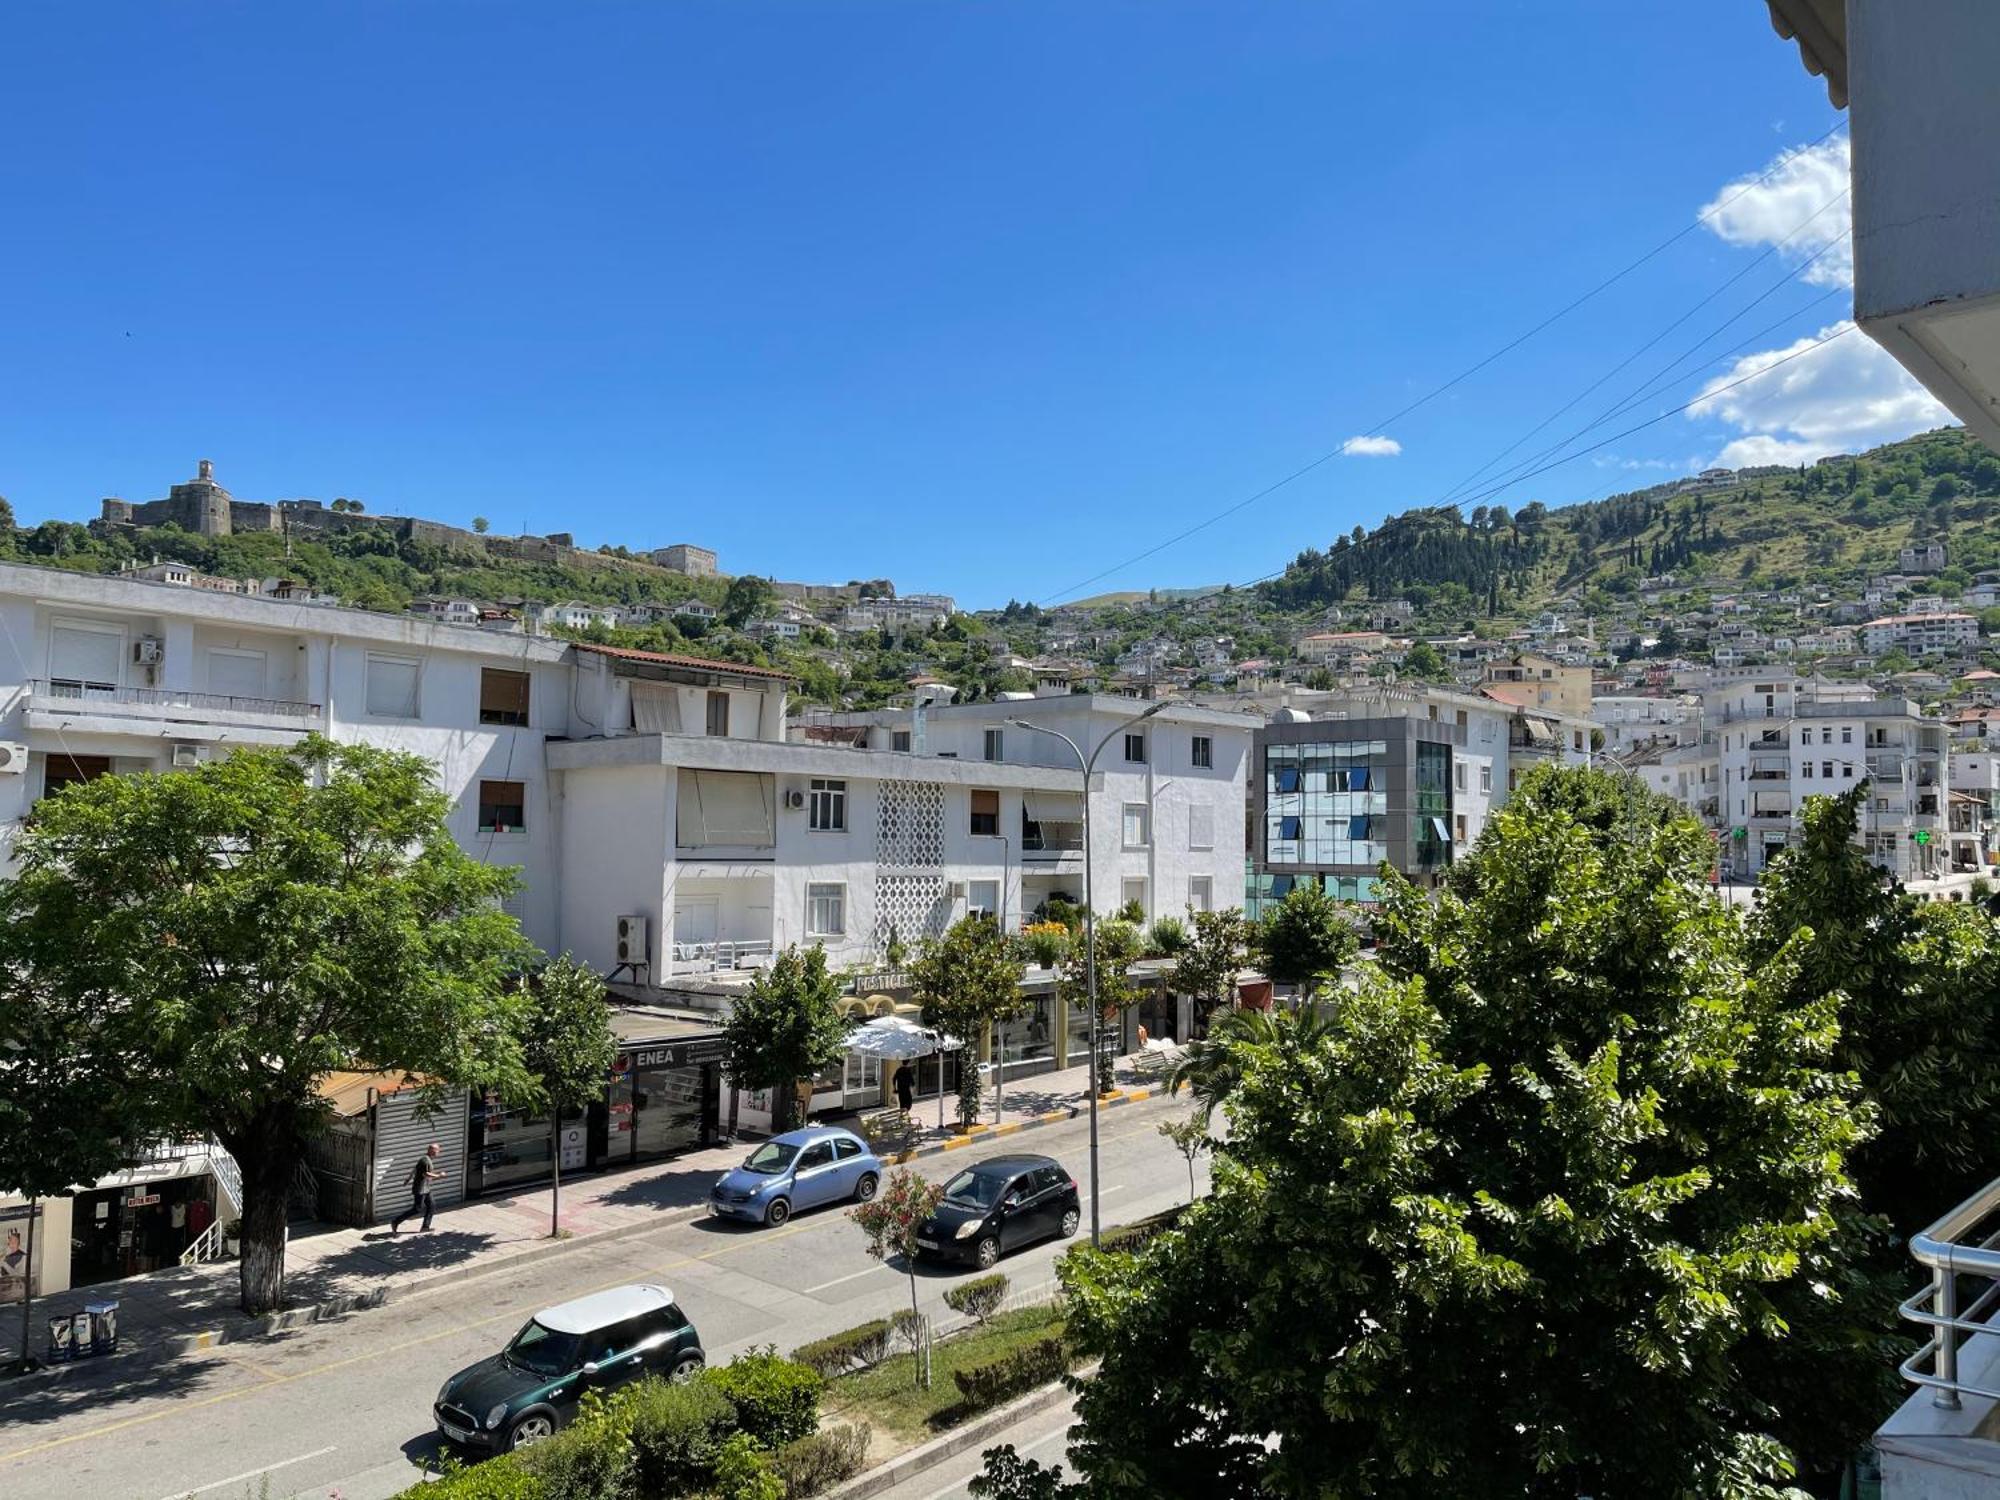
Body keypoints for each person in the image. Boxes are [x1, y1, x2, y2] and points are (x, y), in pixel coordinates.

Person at [390, 1143, 448, 1233]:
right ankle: (396, 1221)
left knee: (431, 1205)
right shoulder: (425, 1161)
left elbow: (415, 1169)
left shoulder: (426, 1159)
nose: (438, 1152)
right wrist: (439, 1176)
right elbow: (426, 1174)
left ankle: (425, 1227)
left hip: (426, 1188)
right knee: (417, 1209)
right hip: (420, 1189)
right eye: (437, 1150)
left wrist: (408, 1179)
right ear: (431, 1150)